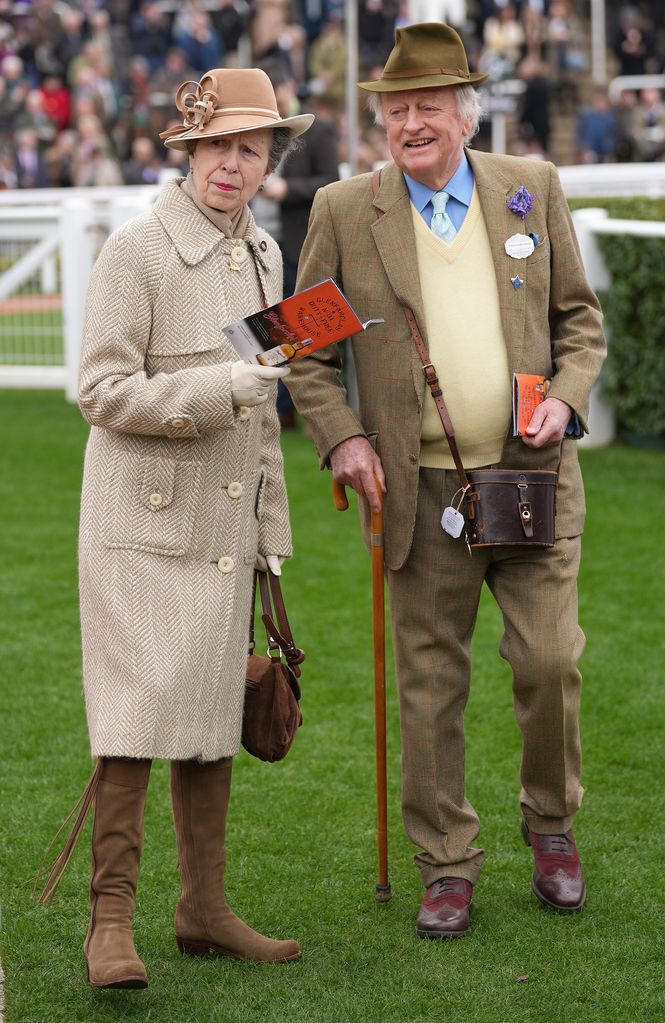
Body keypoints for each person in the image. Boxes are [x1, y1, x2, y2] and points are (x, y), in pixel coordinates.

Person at [286, 23, 606, 939]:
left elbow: (577, 322)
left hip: (533, 475)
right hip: (416, 489)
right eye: (395, 108)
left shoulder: (527, 189)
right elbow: (306, 355)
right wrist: (343, 435)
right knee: (429, 684)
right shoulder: (346, 210)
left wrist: (566, 399)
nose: (410, 121)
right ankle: (446, 861)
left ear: (467, 114)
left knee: (547, 661)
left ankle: (550, 825)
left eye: (428, 105)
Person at [40, 67, 313, 988]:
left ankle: (202, 909)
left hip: (226, 529)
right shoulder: (137, 250)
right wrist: (221, 388)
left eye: (251, 148)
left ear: (270, 158)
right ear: (189, 153)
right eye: (218, 147)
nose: (232, 165)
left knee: (209, 707)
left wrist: (271, 531)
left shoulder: (269, 257)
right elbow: (101, 391)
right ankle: (108, 925)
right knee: (133, 717)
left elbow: (266, 413)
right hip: (137, 526)